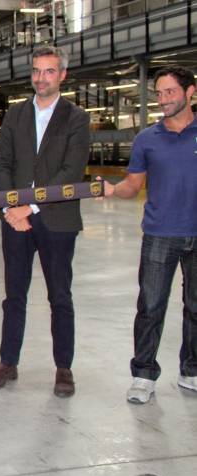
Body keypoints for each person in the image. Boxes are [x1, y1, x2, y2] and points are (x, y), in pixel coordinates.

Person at [0, 46, 90, 398]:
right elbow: (2, 164)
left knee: (60, 296)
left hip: (56, 220)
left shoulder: (76, 118)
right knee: (14, 295)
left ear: (62, 75)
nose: (40, 78)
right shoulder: (15, 115)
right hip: (15, 220)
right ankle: (7, 362)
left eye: (48, 71)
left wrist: (28, 207)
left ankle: (63, 368)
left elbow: (71, 172)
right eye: (36, 71)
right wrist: (11, 208)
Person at [101, 66, 196, 404]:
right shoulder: (146, 139)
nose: (163, 99)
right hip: (160, 234)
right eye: (159, 93)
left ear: (190, 92)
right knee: (151, 306)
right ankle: (143, 374)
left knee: (195, 306)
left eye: (170, 92)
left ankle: (191, 371)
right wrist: (113, 191)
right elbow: (133, 185)